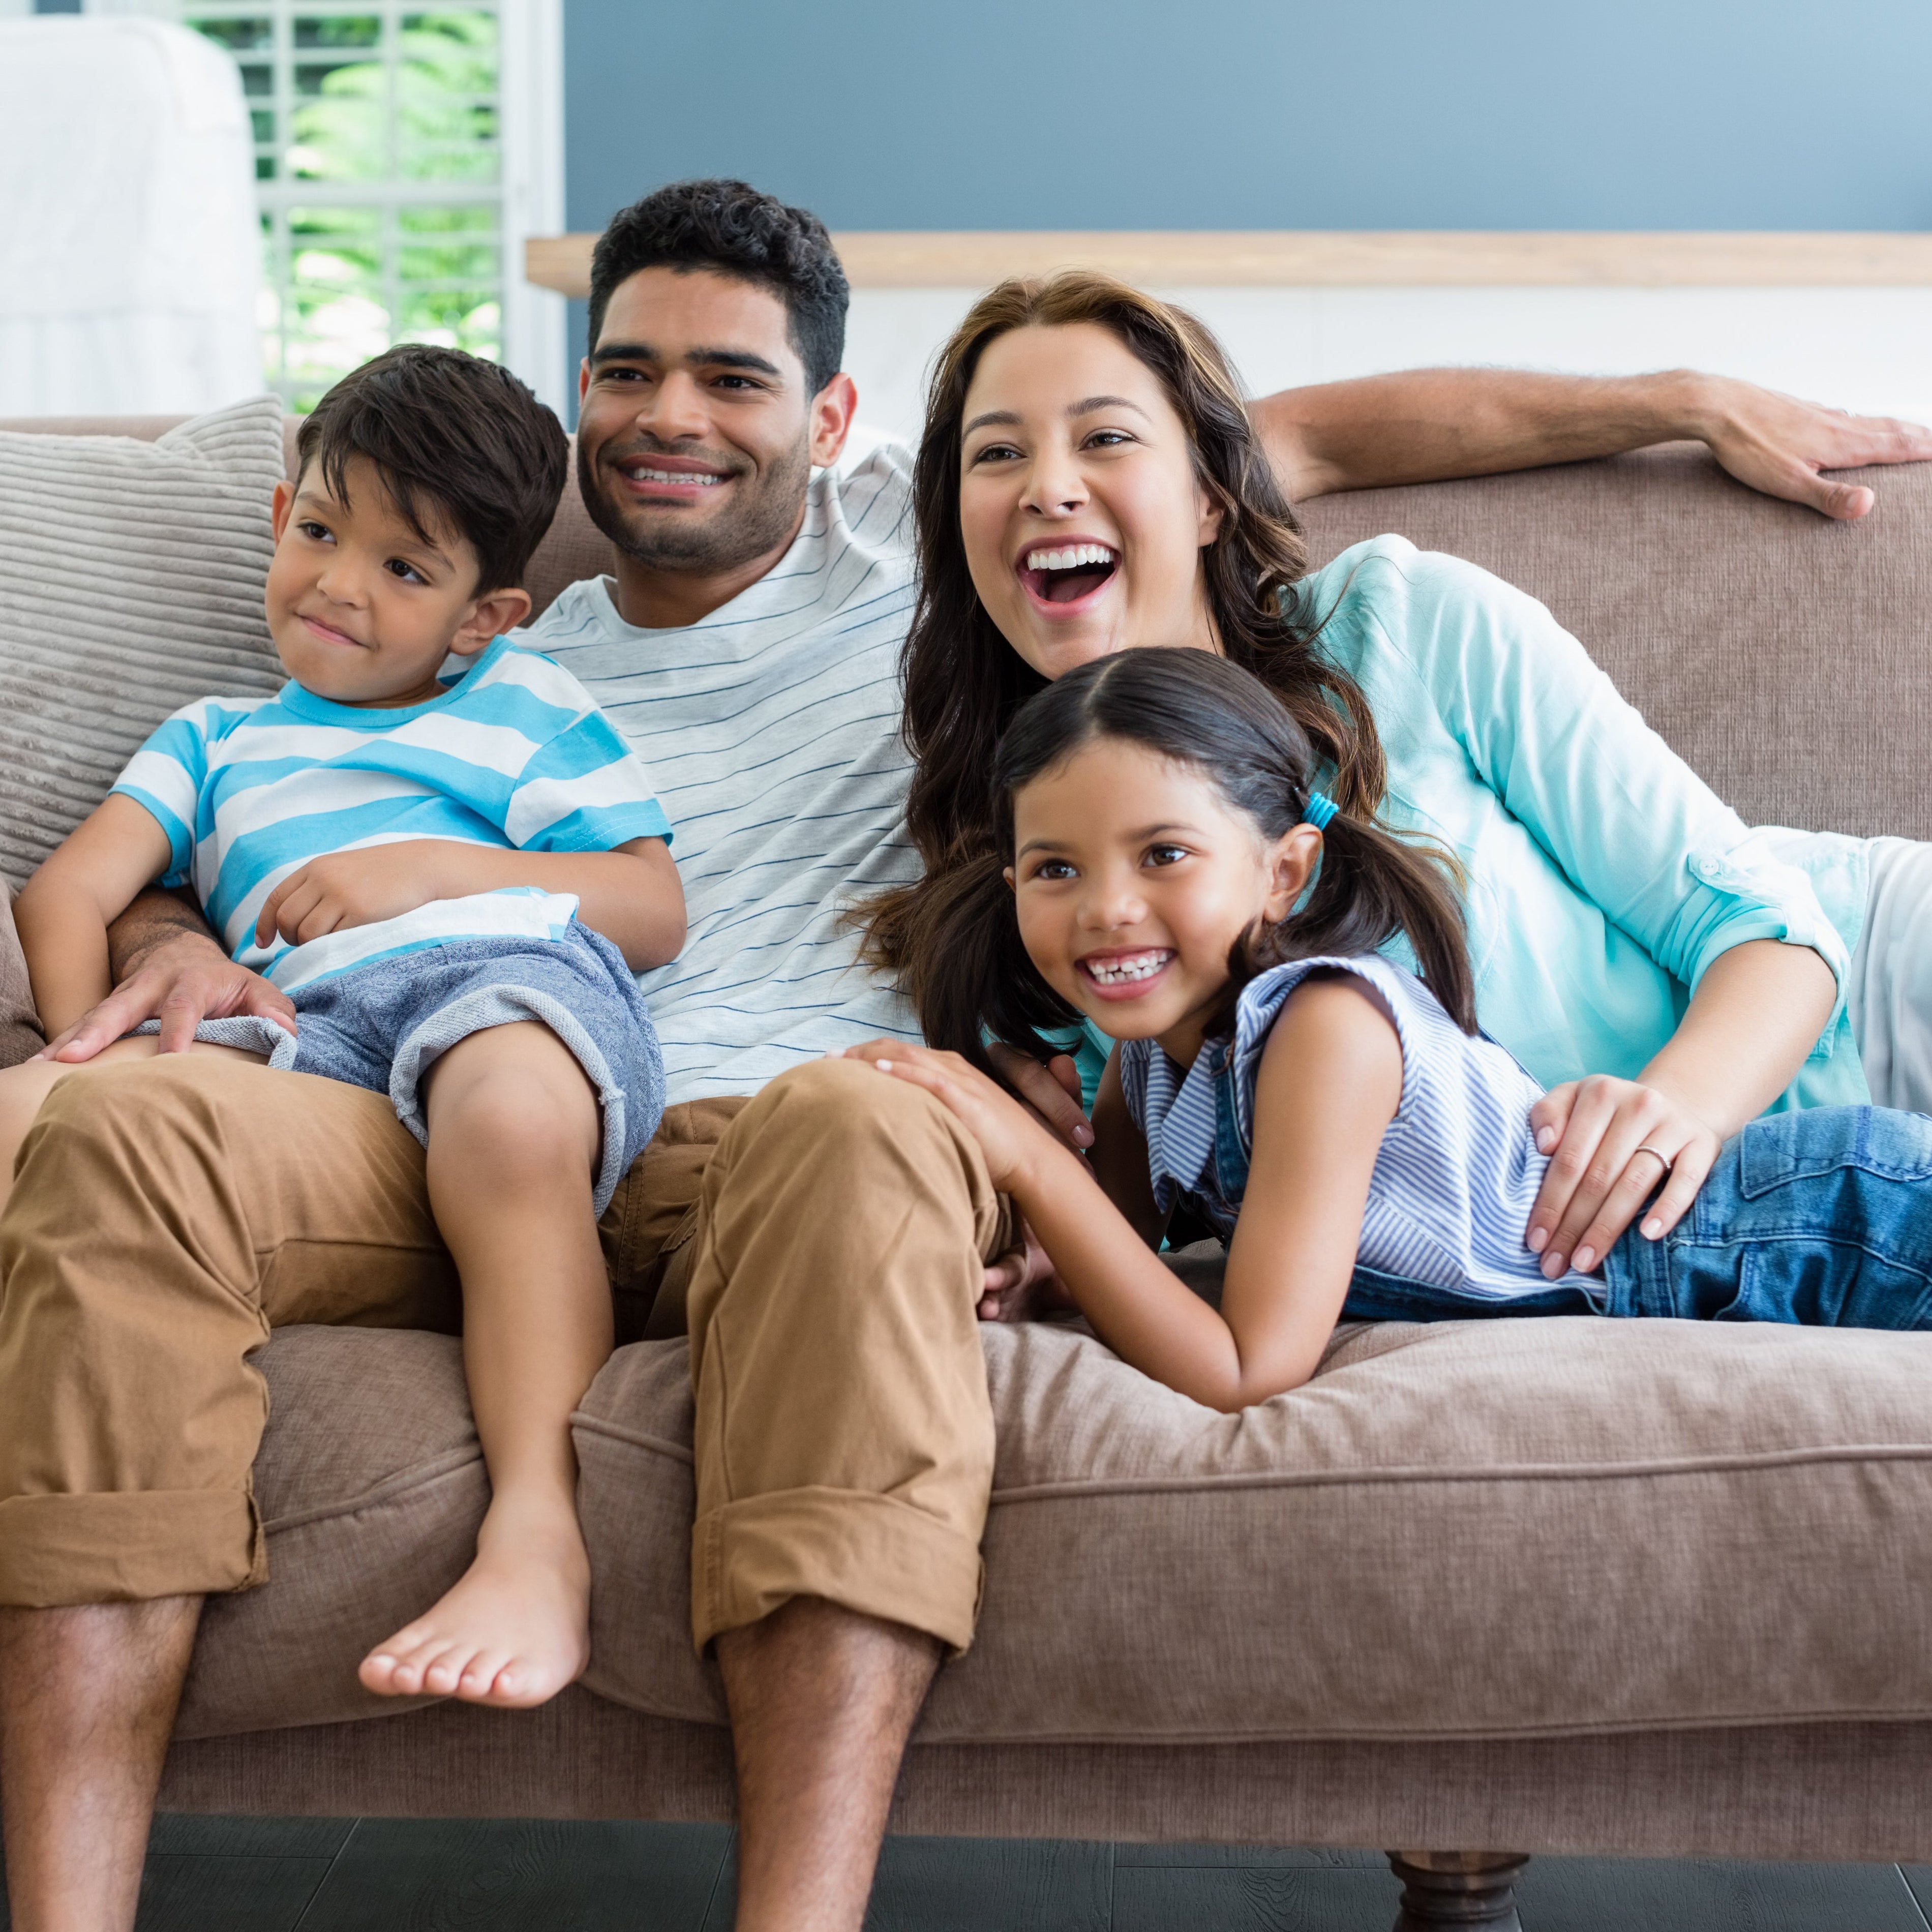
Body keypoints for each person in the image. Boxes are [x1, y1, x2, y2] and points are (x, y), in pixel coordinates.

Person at [2, 179, 1929, 1932]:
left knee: (856, 1135)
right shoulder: (608, 670)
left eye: (734, 380)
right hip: (509, 1093)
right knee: (122, 1135)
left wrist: (1671, 393)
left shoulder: (1167, 622)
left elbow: (1318, 448)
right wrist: (170, 942)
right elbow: (267, 787)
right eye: (628, 371)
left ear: (836, 425)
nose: (672, 418)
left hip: (1681, 1109)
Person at [869, 269, 1932, 1298]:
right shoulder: (1034, 872)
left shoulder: (1405, 624)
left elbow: (1769, 929)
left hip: (1870, 988)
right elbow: (1159, 1192)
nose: (1048, 487)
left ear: (1209, 499)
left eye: (1105, 438)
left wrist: (1670, 1113)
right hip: (1689, 1251)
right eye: (997, 453)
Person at [5, 344, 683, 1715]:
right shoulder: (212, 739)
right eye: (320, 532)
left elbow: (653, 905)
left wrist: (427, 871)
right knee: (23, 1116)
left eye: (403, 568)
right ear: (279, 516)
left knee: (508, 1110)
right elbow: (66, 893)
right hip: (299, 1037)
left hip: (497, 976)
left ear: (484, 615)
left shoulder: (523, 703)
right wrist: (90, 1057)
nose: (339, 586)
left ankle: (539, 1533)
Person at [850, 647, 1932, 1405]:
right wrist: (1051, 1274)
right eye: (1056, 869)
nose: (1106, 908)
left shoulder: (1325, 1028)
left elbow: (1246, 1366)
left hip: (1806, 1230)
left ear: (1284, 872)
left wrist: (1030, 1161)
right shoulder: (1145, 1060)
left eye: (1164, 854)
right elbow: (1127, 1246)